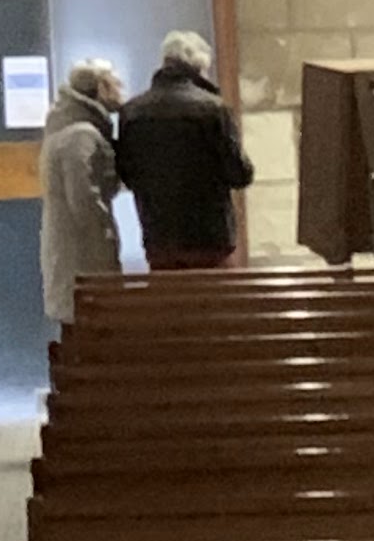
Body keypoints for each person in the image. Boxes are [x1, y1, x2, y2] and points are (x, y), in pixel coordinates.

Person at [114, 29, 251, 273]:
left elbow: (127, 173)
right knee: (215, 296)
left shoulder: (131, 112)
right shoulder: (213, 109)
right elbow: (239, 174)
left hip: (159, 238)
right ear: (199, 67)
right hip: (210, 239)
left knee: (170, 297)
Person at [39, 58, 126, 331]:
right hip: (83, 254)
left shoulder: (66, 128)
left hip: (71, 249)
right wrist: (104, 234)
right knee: (89, 326)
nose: (121, 88)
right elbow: (83, 197)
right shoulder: (81, 135)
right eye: (115, 83)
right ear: (101, 87)